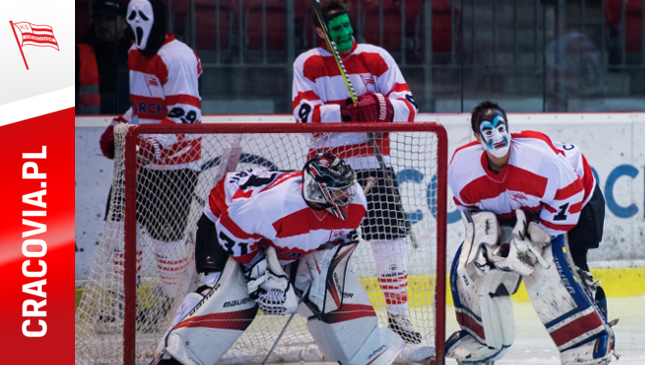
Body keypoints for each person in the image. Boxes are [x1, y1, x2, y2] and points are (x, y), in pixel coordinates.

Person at [152, 153, 406, 365]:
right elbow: (229, 230)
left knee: (324, 288)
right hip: (224, 216)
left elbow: (335, 240)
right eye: (340, 193)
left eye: (348, 188)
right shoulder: (274, 206)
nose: (349, 196)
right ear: (318, 192)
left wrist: (305, 272)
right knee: (220, 290)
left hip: (263, 229)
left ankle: (360, 346)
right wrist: (256, 269)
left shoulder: (356, 202)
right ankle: (172, 350)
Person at [445, 101, 617, 365]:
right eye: (488, 131)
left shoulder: (538, 160)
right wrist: (492, 240)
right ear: (478, 137)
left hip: (578, 200)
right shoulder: (461, 168)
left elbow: (569, 199)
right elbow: (472, 213)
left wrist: (537, 238)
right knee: (480, 265)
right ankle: (481, 338)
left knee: (566, 269)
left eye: (501, 127)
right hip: (524, 210)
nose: (498, 136)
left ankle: (593, 336)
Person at [291, 0, 421, 345]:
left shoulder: (376, 58)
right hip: (328, 175)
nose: (346, 33)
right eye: (336, 30)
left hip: (375, 166)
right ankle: (330, 321)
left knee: (389, 245)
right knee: (326, 251)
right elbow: (304, 116)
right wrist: (346, 113)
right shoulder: (307, 64)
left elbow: (409, 108)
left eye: (348, 26)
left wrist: (378, 106)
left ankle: (399, 318)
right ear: (321, 32)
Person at [97, 0, 203, 301]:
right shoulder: (134, 53)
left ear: (159, 19)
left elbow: (185, 114)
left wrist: (151, 145)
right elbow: (144, 109)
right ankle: (120, 300)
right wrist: (122, 123)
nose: (135, 22)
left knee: (165, 241)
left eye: (143, 16)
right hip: (140, 160)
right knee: (119, 229)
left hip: (175, 165)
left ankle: (174, 306)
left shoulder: (177, 57)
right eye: (131, 16)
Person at [76, 0, 132, 114]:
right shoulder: (79, 53)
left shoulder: (137, 53)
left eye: (110, 19)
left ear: (124, 22)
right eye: (99, 19)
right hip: (86, 128)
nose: (103, 25)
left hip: (132, 128)